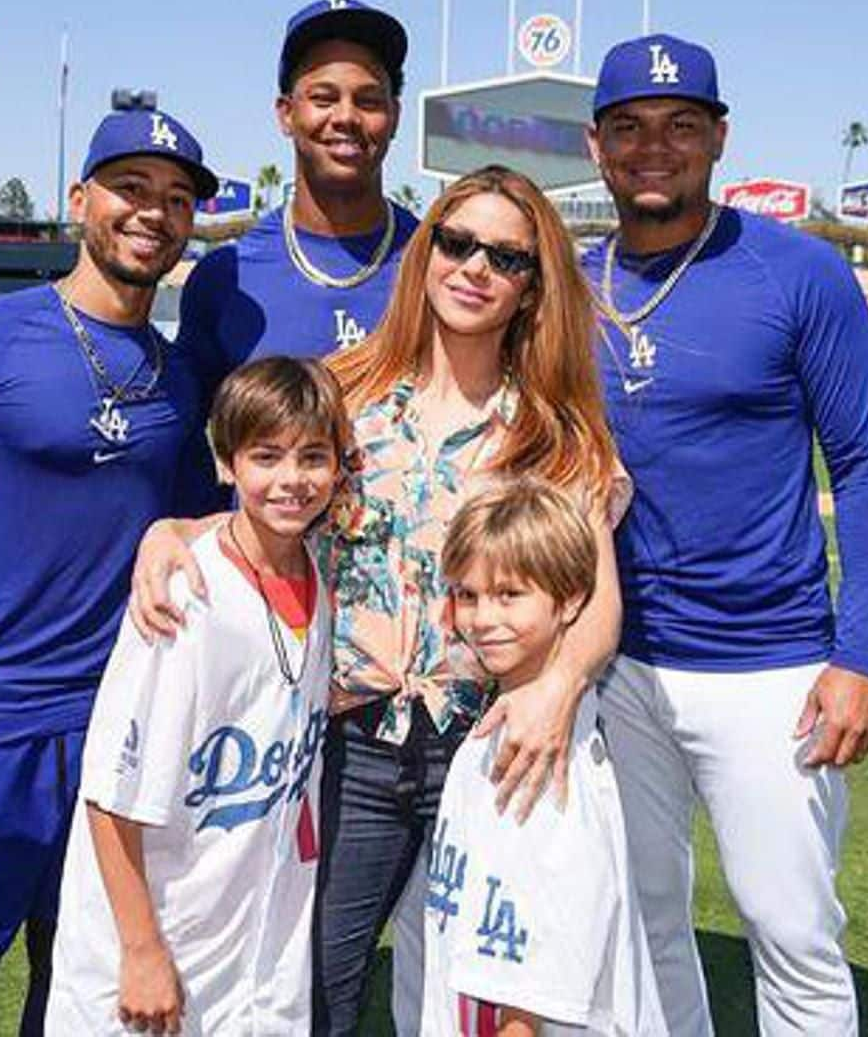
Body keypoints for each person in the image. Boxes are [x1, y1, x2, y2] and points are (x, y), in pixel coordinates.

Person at [133, 165, 627, 1035]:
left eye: (507, 258)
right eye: (458, 241)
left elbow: (597, 602)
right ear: (425, 251)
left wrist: (560, 686)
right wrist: (173, 530)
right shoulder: (343, 391)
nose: (476, 267)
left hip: (495, 748)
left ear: (531, 287)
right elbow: (263, 504)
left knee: (488, 1003)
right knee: (315, 989)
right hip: (348, 744)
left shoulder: (557, 430)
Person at [0, 107, 221, 1037]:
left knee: (78, 990)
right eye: (132, 189)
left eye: (177, 200)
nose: (154, 213)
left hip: (114, 734)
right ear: (80, 200)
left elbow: (197, 534)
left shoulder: (180, 380)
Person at [581, 33, 868, 1036]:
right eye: (630, 127)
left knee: (792, 930)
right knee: (640, 922)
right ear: (598, 146)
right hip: (616, 664)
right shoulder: (565, 282)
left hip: (770, 665)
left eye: (681, 126)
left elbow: (866, 469)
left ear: (719, 139)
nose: (654, 148)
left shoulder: (797, 273)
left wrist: (861, 657)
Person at [46, 357, 347, 1035]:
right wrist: (142, 951)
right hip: (151, 940)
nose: (292, 480)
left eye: (313, 456)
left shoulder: (319, 575)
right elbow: (110, 793)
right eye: (266, 456)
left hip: (249, 938)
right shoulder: (182, 596)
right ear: (226, 462)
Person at [423, 480, 666, 1037]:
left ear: (572, 600)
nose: (484, 618)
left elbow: (541, 984)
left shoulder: (544, 759)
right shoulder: (508, 722)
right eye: (467, 594)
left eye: (510, 595)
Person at [175, 0, 416, 403]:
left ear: (395, 116)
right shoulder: (226, 278)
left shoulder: (440, 267)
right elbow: (182, 448)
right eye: (323, 98)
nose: (345, 117)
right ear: (286, 114)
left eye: (369, 100)